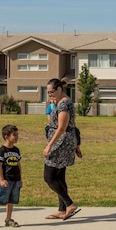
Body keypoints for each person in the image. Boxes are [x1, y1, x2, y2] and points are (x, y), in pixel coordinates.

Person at [43, 78, 80, 221]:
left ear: (59, 89)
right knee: (59, 176)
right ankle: (62, 209)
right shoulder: (62, 102)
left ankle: (69, 204)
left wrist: (49, 145)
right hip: (65, 141)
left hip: (61, 142)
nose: (50, 95)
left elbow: (62, 128)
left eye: (52, 92)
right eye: (48, 93)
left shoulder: (64, 104)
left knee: (49, 176)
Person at [0, 124, 22, 229]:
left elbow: (19, 164)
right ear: (6, 136)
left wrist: (20, 179)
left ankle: (8, 219)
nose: (16, 137)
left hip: (15, 180)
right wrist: (1, 179)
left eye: (17, 135)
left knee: (11, 200)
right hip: (6, 180)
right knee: (0, 200)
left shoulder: (16, 150)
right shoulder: (2, 150)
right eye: (14, 135)